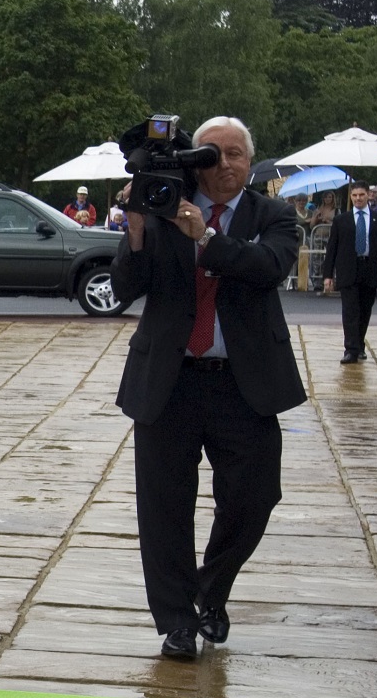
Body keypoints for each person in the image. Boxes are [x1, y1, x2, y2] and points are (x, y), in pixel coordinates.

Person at [110, 116, 303, 661]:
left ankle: (210, 593)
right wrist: (139, 226)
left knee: (255, 498)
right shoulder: (165, 202)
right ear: (194, 158)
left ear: (250, 162)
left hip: (244, 386)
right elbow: (124, 288)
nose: (224, 163)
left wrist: (206, 236)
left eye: (235, 153)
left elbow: (266, 267)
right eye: (211, 153)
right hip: (168, 382)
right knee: (164, 508)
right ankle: (176, 622)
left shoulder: (275, 216)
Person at [321, 182, 377, 364]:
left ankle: (359, 344)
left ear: (368, 195)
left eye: (361, 195)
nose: (357, 198)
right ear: (351, 196)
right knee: (350, 311)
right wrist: (328, 275)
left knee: (364, 311)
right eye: (354, 195)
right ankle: (351, 349)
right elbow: (332, 248)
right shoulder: (342, 220)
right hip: (348, 269)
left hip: (371, 270)